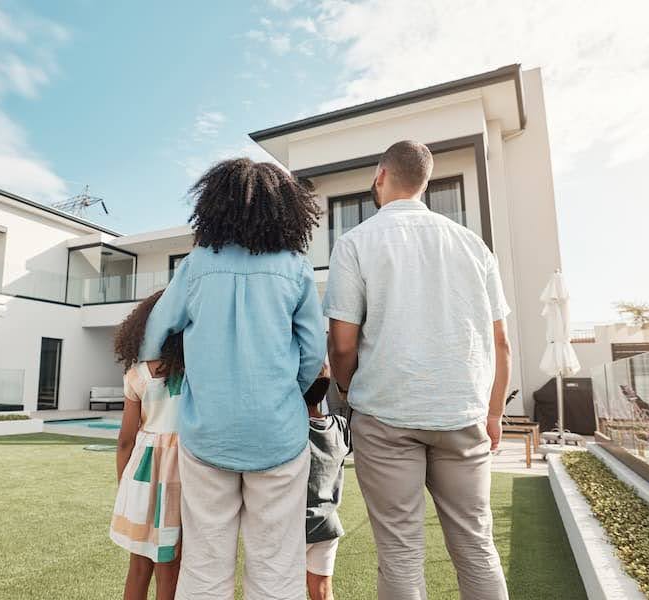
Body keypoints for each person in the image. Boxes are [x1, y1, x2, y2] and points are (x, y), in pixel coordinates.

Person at [324, 140, 512, 600]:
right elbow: (500, 343)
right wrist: (493, 414)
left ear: (380, 174)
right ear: (425, 182)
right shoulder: (474, 246)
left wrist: (348, 390)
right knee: (476, 546)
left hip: (385, 416)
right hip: (463, 416)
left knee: (401, 556)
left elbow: (342, 344)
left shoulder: (355, 243)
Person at [140, 158, 327, 600]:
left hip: (207, 436)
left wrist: (156, 368)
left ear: (214, 204)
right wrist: (289, 393)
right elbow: (313, 350)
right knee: (278, 567)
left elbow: (154, 332)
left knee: (204, 566)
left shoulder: (197, 264)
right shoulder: (295, 267)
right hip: (279, 436)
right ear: (284, 208)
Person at [110, 292, 185, 600]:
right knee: (171, 568)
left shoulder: (137, 374)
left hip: (141, 473)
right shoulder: (194, 373)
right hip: (181, 473)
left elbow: (126, 439)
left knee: (138, 567)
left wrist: (123, 486)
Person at [302, 365, 350, 600]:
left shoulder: (294, 430)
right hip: (328, 524)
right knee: (323, 592)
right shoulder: (340, 426)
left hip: (296, 528)